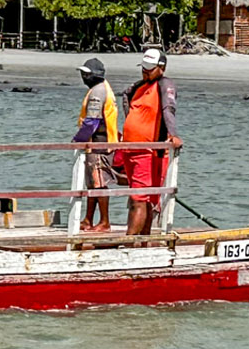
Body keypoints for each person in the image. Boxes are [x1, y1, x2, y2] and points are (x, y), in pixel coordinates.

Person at [120, 48, 182, 236]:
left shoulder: (165, 85)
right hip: (130, 149)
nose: (145, 72)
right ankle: (141, 242)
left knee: (140, 199)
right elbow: (125, 96)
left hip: (148, 151)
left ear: (161, 68)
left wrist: (172, 133)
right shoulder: (139, 86)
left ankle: (129, 242)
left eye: (150, 68)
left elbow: (168, 109)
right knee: (139, 199)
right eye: (144, 68)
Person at [73, 58, 121, 232]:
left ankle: (104, 221)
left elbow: (92, 121)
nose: (83, 77)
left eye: (86, 74)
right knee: (93, 183)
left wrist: (79, 139)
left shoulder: (98, 92)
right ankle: (88, 219)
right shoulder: (103, 88)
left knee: (99, 183)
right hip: (100, 143)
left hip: (99, 144)